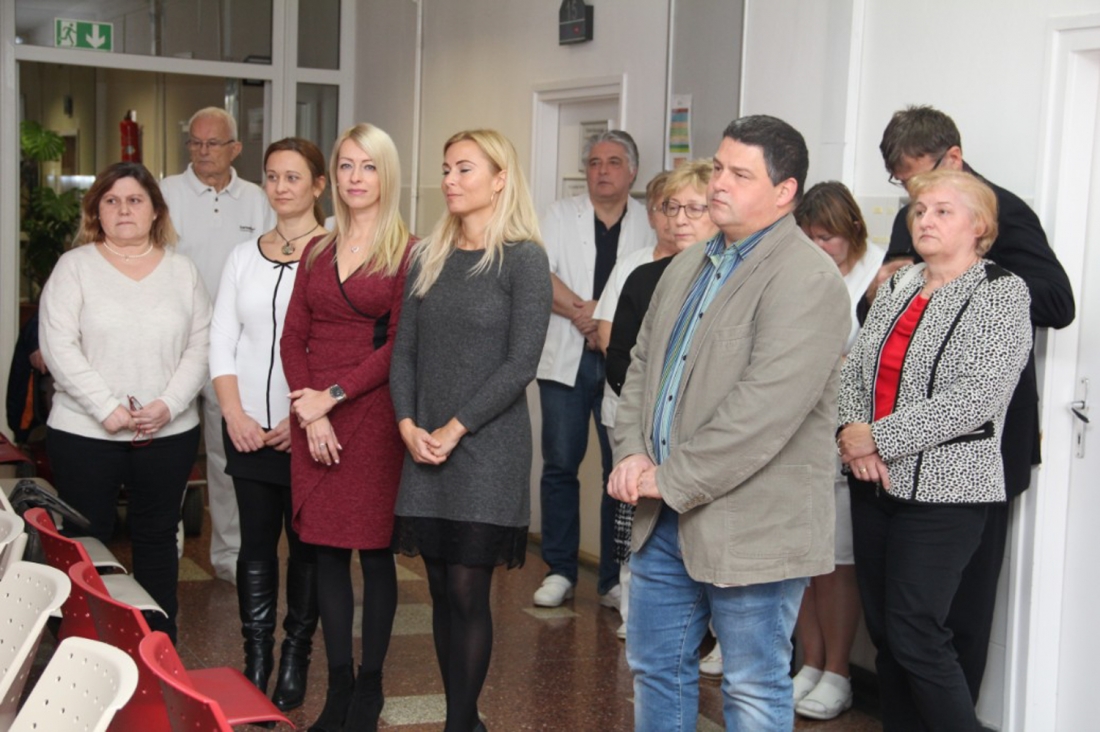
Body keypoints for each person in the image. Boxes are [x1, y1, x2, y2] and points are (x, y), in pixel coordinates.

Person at [608, 115, 850, 731]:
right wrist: (632, 450)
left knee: (751, 684)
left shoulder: (807, 278)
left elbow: (763, 410)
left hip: (753, 523)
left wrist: (669, 478)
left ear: (785, 191)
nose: (718, 183)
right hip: (663, 515)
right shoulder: (688, 265)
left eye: (740, 174)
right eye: (718, 167)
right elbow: (642, 366)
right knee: (656, 668)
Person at [871, 106, 1074, 700]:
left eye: (919, 180)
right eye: (905, 189)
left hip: (978, 448)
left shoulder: (1005, 212)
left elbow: (1058, 302)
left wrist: (968, 279)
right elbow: (876, 319)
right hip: (896, 446)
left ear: (953, 159)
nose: (918, 208)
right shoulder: (915, 215)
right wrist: (887, 281)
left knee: (956, 616)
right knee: (895, 618)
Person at [838, 169, 1033, 731]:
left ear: (980, 227)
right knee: (887, 636)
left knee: (916, 632)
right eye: (920, 210)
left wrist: (878, 437)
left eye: (943, 211)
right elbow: (856, 368)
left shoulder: (1001, 292)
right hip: (873, 483)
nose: (925, 220)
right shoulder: (898, 284)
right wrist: (851, 433)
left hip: (949, 491)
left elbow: (976, 397)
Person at [391, 129, 551, 732]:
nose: (450, 180)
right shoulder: (426, 256)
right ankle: (462, 718)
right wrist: (407, 424)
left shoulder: (523, 259)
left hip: (487, 448)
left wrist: (456, 427)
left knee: (466, 588)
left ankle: (460, 722)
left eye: (464, 169)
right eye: (446, 169)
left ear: (499, 178)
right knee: (438, 586)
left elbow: (521, 363)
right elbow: (403, 352)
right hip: (424, 443)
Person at [38, 161, 211, 642]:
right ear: (97, 212)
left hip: (167, 433)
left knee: (157, 538)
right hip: (84, 433)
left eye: (135, 200)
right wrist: (105, 408)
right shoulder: (74, 267)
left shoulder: (182, 271)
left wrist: (169, 404)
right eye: (111, 201)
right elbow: (58, 345)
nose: (123, 210)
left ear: (156, 210)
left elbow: (201, 345)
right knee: (86, 541)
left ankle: (157, 643)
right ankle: (83, 644)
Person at [279, 123, 412, 732]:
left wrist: (331, 398)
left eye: (370, 166)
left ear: (387, 175)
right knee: (326, 553)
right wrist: (309, 410)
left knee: (375, 553)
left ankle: (371, 686)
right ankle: (338, 686)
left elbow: (400, 347)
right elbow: (293, 336)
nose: (357, 178)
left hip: (373, 412)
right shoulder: (315, 250)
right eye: (347, 166)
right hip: (312, 414)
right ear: (333, 176)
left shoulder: (410, 253)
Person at [209, 137, 327, 710]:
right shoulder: (242, 256)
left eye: (293, 177)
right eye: (273, 177)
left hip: (308, 430)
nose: (281, 187)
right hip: (248, 431)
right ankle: (256, 656)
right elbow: (221, 340)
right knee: (255, 546)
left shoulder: (334, 254)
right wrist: (234, 413)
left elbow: (337, 348)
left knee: (307, 549)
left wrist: (298, 418)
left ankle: (296, 655)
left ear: (319, 186)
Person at [535, 129, 655, 609]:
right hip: (565, 355)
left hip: (622, 361)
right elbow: (540, 273)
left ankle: (611, 578)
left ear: (632, 172)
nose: (602, 171)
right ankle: (560, 569)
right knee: (560, 465)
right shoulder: (559, 214)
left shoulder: (649, 220)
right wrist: (587, 315)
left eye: (613, 162)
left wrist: (602, 320)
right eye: (594, 163)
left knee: (619, 470)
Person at [598, 161, 718, 642]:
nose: (681, 219)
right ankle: (642, 623)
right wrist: (652, 418)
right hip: (649, 436)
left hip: (707, 445)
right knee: (645, 538)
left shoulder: (735, 283)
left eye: (695, 208)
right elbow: (623, 359)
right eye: (673, 207)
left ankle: (711, 636)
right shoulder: (645, 278)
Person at [160, 106, 275, 585]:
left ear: (235, 149)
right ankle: (165, 549)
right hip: (176, 344)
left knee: (228, 457)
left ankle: (229, 556)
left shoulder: (257, 199)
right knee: (168, 453)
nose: (202, 151)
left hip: (235, 348)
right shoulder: (166, 193)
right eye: (195, 142)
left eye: (213, 143)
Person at [785, 181, 885, 719]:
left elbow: (869, 366)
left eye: (828, 237)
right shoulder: (800, 273)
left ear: (853, 232)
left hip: (845, 439)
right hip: (799, 434)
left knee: (837, 561)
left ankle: (838, 672)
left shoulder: (877, 279)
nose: (819, 246)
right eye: (810, 236)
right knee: (801, 559)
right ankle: (810, 661)